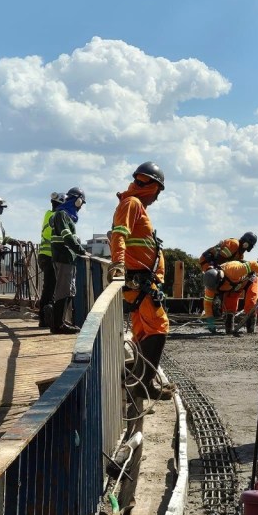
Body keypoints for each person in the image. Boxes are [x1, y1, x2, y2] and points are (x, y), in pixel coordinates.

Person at [108, 162, 171, 400]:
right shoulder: (131, 203)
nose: (157, 197)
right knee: (159, 327)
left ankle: (140, 382)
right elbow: (119, 235)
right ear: (152, 186)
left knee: (143, 331)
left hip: (142, 282)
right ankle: (144, 384)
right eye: (158, 191)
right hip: (139, 282)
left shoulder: (135, 205)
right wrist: (118, 264)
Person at [49, 187, 88, 334]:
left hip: (67, 258)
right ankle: (58, 325)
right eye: (81, 203)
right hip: (64, 257)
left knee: (68, 289)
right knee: (63, 290)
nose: (81, 206)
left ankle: (61, 322)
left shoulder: (64, 215)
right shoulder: (62, 215)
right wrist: (81, 250)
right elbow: (67, 237)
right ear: (77, 201)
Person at [202, 260, 258, 334]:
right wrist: (210, 321)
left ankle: (250, 329)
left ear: (221, 279)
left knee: (250, 303)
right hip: (235, 286)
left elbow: (253, 264)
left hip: (250, 279)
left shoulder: (233, 271)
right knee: (229, 307)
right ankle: (229, 328)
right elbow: (207, 304)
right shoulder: (210, 286)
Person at [37, 192, 64, 328]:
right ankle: (44, 319)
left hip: (43, 255)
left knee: (48, 289)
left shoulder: (48, 214)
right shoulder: (56, 217)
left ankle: (45, 317)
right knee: (50, 290)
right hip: (50, 256)